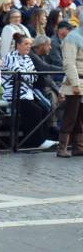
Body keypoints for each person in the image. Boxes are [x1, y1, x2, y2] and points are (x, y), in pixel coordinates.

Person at [59, 8, 83, 158]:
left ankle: (78, 147)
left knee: (81, 117)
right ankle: (62, 148)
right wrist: (75, 83)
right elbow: (69, 63)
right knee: (70, 116)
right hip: (75, 81)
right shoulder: (72, 37)